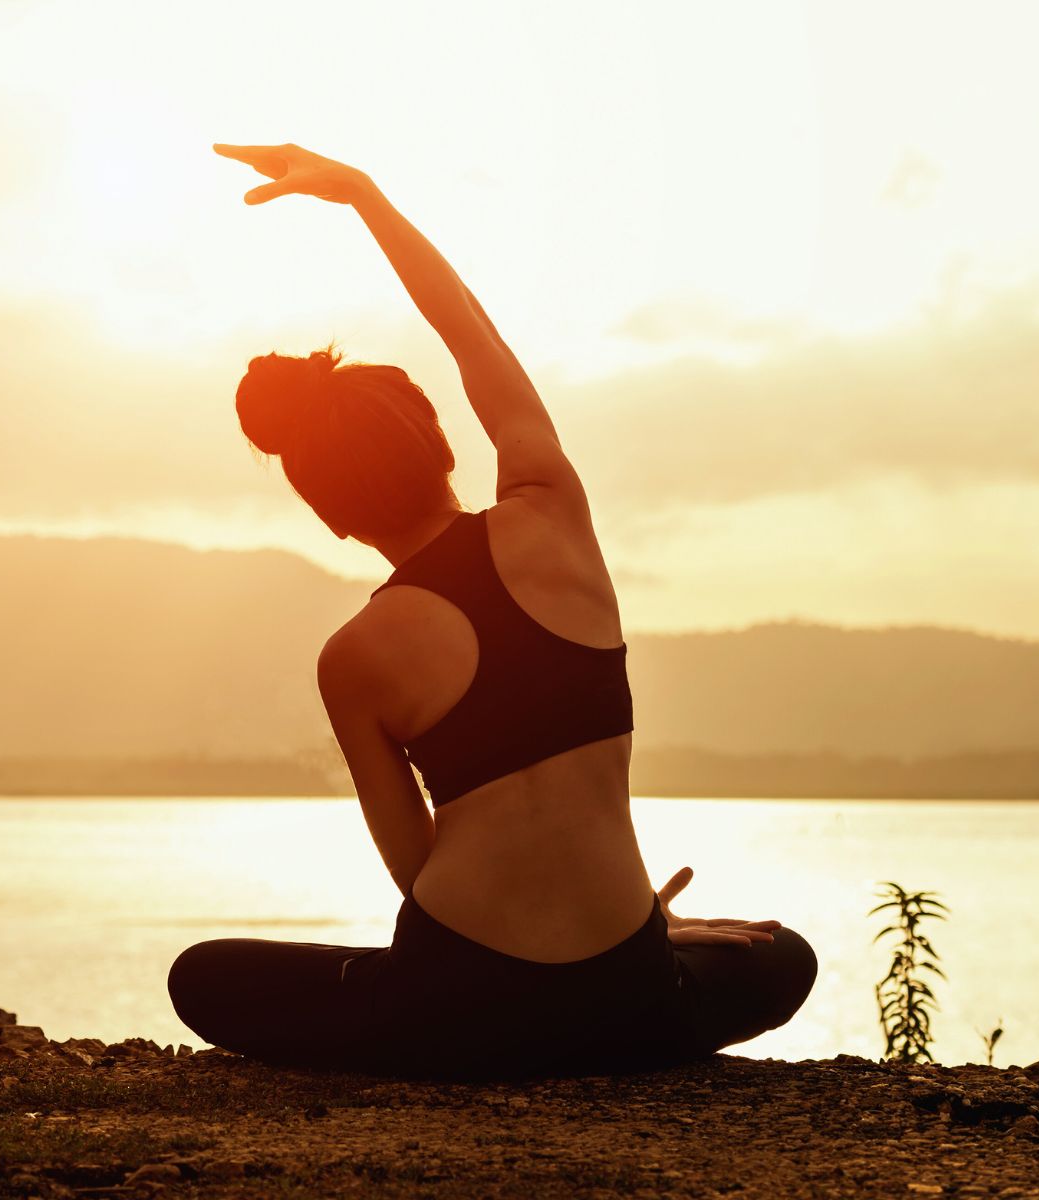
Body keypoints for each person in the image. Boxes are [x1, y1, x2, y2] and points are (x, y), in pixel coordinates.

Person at [167, 143, 817, 1080]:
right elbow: (471, 333)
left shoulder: (352, 660)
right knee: (780, 953)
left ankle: (465, 1020)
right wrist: (362, 196)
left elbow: (418, 870)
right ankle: (633, 971)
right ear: (439, 442)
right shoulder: (554, 514)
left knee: (207, 977)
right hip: (628, 1000)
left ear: (333, 518)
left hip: (459, 1014)